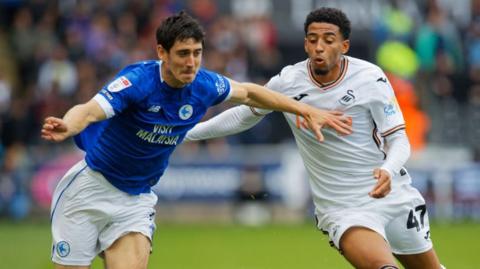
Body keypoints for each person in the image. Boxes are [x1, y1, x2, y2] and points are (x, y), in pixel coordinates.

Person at [41, 11, 352, 269]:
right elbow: (89, 110)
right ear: (162, 52)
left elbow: (251, 92)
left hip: (135, 201)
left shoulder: (205, 85)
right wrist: (68, 125)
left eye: (197, 53)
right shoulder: (137, 81)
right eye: (182, 54)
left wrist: (306, 109)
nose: (191, 62)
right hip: (90, 190)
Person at [185, 7, 446, 269]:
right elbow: (245, 115)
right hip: (342, 208)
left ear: (344, 45)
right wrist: (187, 133)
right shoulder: (288, 82)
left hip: (392, 194)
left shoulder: (370, 78)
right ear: (305, 44)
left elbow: (398, 138)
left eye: (328, 40)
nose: (319, 47)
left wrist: (389, 170)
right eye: (312, 40)